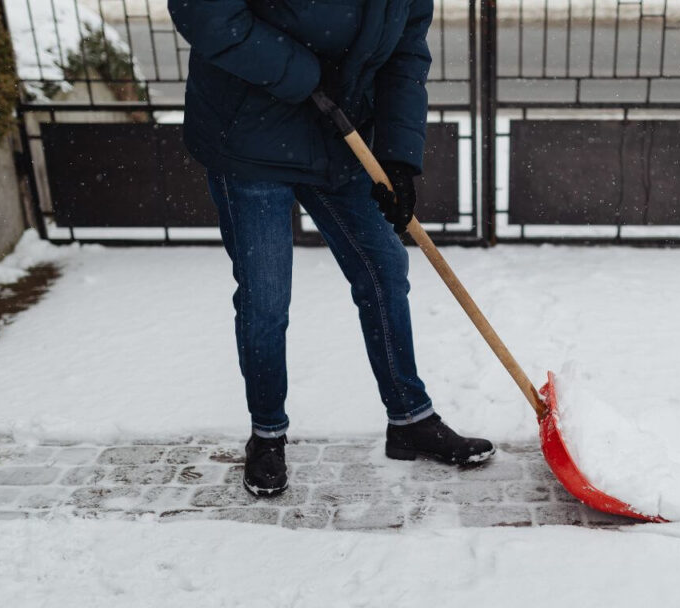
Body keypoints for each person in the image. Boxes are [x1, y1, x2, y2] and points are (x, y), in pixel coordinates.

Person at [169, 0, 494, 497]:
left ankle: (409, 418)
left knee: (384, 270)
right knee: (266, 297)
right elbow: (209, 15)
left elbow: (406, 57)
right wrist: (301, 74)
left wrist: (398, 157)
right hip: (251, 138)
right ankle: (267, 435)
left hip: (338, 136)